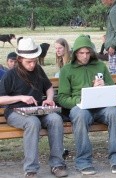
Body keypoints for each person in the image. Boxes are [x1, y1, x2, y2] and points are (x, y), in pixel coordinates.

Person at [57, 35, 116, 175]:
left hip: (102, 107)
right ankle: (83, 161)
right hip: (81, 107)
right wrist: (79, 101)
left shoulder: (100, 66)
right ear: (75, 53)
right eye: (81, 53)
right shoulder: (67, 70)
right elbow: (62, 98)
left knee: (114, 112)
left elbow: (113, 90)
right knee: (80, 115)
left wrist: (104, 86)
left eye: (88, 53)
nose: (85, 56)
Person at [0, 38, 68, 178]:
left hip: (37, 110)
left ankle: (57, 164)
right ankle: (30, 169)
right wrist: (20, 97)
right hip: (15, 112)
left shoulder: (37, 69)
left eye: (34, 61)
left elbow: (48, 87)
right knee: (32, 122)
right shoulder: (10, 75)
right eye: (28, 61)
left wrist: (49, 99)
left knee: (55, 119)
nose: (32, 65)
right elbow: (1, 99)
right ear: (19, 59)